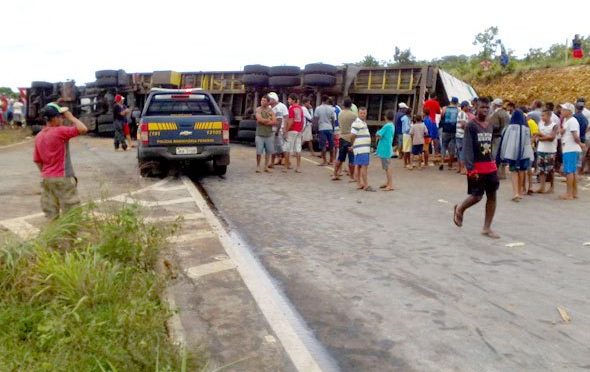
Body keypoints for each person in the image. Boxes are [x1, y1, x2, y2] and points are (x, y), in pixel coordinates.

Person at [453, 98, 500, 239]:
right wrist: (470, 168)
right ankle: (460, 208)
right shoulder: (471, 126)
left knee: (492, 196)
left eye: (487, 108)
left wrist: (494, 161)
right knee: (477, 196)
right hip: (477, 168)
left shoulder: (490, 125)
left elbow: (490, 145)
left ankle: (487, 228)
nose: (485, 110)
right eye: (482, 107)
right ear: (476, 108)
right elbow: (467, 148)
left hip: (490, 166)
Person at [33, 102, 89, 219]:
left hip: (46, 179)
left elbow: (37, 160)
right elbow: (83, 129)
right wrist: (71, 117)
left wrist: (47, 174)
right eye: (60, 117)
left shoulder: (39, 136)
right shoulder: (60, 131)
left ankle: (54, 236)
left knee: (51, 214)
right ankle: (69, 237)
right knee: (72, 213)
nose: (63, 119)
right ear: (54, 118)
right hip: (63, 177)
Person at [498, 110, 534, 201]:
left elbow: (504, 141)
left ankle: (515, 193)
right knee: (522, 171)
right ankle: (521, 190)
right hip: (524, 153)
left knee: (514, 172)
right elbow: (529, 142)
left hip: (512, 153)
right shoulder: (526, 128)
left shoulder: (509, 128)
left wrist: (503, 154)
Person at [559, 103, 585, 200]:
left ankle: (569, 193)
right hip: (569, 148)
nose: (561, 111)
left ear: (569, 111)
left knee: (569, 171)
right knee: (573, 171)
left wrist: (580, 144)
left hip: (571, 148)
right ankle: (574, 192)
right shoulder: (567, 121)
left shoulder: (572, 121)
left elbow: (575, 136)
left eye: (563, 110)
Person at [332, 98, 357, 181]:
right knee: (351, 158)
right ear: (351, 105)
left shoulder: (340, 114)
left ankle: (335, 174)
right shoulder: (353, 115)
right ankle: (352, 176)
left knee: (340, 158)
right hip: (350, 138)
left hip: (342, 137)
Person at [535, 109, 558, 193]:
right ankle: (542, 186)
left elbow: (552, 138)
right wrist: (544, 137)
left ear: (549, 116)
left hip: (550, 150)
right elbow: (538, 134)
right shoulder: (540, 124)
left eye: (543, 115)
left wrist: (541, 138)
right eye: (541, 115)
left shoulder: (554, 125)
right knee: (541, 169)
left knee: (550, 169)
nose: (542, 117)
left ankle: (552, 187)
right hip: (541, 149)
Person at [350, 107, 373, 191]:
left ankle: (359, 184)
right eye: (361, 113)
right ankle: (366, 185)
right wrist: (353, 144)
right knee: (364, 166)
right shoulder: (357, 123)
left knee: (359, 166)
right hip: (362, 148)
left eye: (364, 113)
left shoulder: (362, 122)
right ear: (358, 113)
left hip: (362, 148)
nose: (363, 115)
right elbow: (352, 135)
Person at [488, 98, 511, 179]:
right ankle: (503, 173)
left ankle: (497, 173)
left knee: (495, 154)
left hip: (497, 136)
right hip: (505, 136)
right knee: (503, 154)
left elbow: (495, 126)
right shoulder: (505, 113)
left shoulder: (496, 114)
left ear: (494, 105)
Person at [254, 95, 276, 173]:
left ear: (268, 102)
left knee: (268, 151)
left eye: (264, 101)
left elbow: (274, 121)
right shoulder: (258, 109)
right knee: (259, 151)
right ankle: (258, 166)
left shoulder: (271, 111)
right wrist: (268, 120)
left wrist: (265, 121)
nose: (262, 102)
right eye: (261, 100)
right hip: (260, 134)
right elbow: (259, 119)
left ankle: (266, 166)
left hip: (268, 134)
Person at [284, 94, 304, 173]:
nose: (288, 101)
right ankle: (298, 167)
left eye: (289, 99)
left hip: (292, 130)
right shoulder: (300, 108)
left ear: (293, 100)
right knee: (298, 148)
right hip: (299, 130)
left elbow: (291, 121)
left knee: (287, 148)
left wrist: (286, 130)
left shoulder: (292, 108)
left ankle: (286, 166)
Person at [375, 110, 395, 190]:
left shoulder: (387, 126)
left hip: (385, 149)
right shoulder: (392, 125)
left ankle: (390, 184)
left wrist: (377, 133)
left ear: (385, 117)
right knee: (387, 167)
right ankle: (388, 182)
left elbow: (378, 134)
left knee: (387, 167)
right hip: (388, 148)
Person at [268, 92, 289, 168]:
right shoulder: (270, 107)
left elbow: (286, 117)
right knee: (274, 147)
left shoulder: (281, 106)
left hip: (280, 129)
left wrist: (285, 128)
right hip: (272, 129)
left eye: (269, 99)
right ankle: (275, 161)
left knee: (283, 147)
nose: (268, 100)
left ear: (274, 99)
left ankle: (287, 162)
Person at [314, 95, 336, 166]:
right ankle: (331, 160)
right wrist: (333, 129)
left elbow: (316, 120)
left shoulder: (318, 108)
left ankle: (324, 161)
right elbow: (333, 120)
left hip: (322, 128)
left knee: (323, 146)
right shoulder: (331, 109)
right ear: (327, 100)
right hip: (329, 128)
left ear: (322, 100)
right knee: (331, 145)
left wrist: (316, 130)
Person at [439, 97, 459, 170]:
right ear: (456, 102)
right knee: (452, 146)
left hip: (445, 129)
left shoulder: (445, 108)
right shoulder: (458, 110)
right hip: (454, 130)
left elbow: (441, 116)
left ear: (451, 101)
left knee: (444, 145)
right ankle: (450, 163)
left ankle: (441, 162)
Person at [456, 101, 472, 174]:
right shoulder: (462, 113)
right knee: (463, 152)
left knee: (459, 152)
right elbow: (463, 124)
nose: (469, 107)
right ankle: (462, 168)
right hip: (462, 135)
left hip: (459, 135)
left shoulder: (461, 113)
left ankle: (459, 168)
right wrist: (468, 129)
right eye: (468, 106)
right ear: (464, 106)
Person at [573, 101, 589, 174]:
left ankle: (574, 173)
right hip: (583, 137)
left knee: (574, 156)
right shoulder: (584, 118)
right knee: (581, 155)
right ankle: (579, 171)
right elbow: (586, 128)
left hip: (576, 138)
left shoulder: (574, 117)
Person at [400, 104, 412, 168]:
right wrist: (412, 127)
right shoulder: (407, 119)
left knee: (407, 149)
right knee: (407, 150)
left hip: (405, 134)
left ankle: (407, 162)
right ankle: (406, 163)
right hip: (407, 134)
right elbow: (407, 128)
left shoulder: (404, 118)